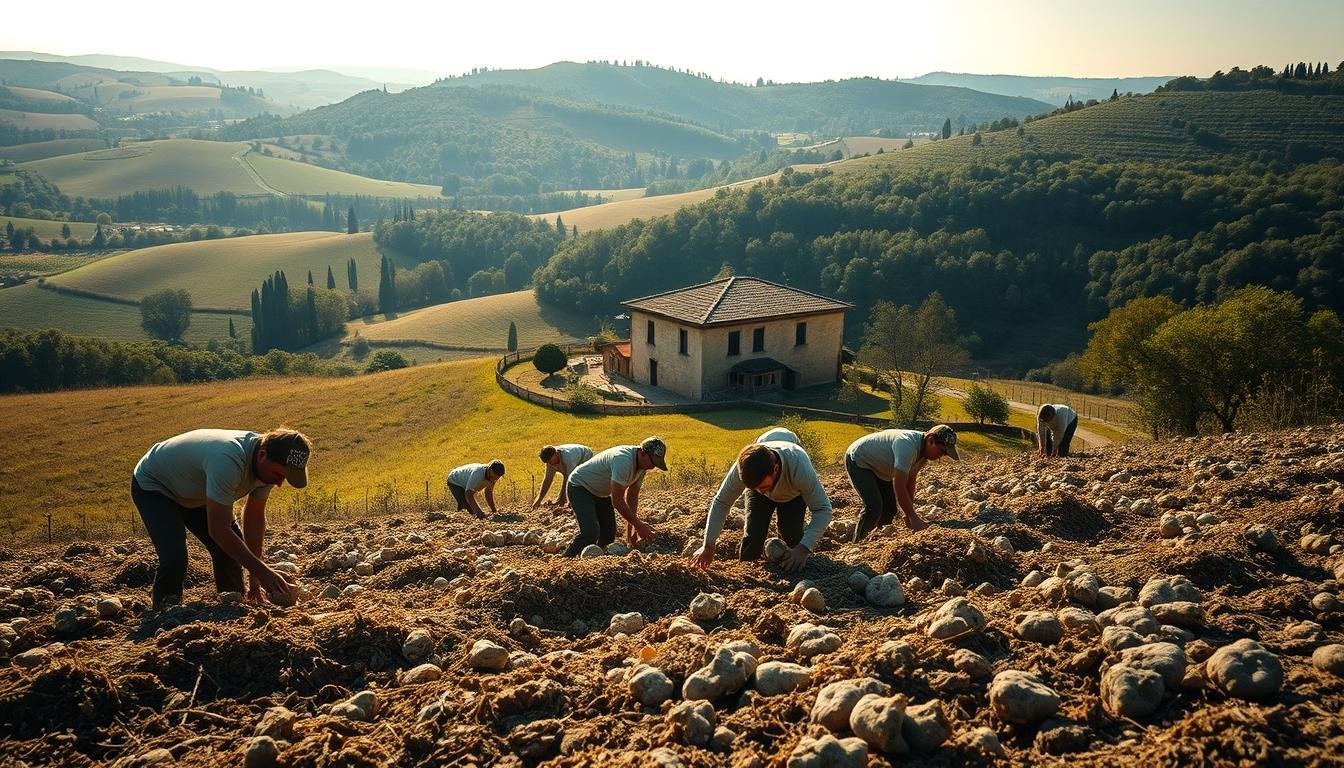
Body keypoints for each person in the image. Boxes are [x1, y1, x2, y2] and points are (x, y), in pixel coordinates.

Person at [131, 427, 311, 608]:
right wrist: (263, 571)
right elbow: (218, 530)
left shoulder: (267, 467)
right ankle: (164, 613)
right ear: (262, 455)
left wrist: (255, 576)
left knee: (230, 551)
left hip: (198, 489)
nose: (279, 483)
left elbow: (254, 519)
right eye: (279, 475)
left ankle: (232, 605)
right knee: (175, 558)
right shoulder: (228, 460)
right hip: (157, 485)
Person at [691, 426, 833, 573]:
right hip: (760, 482)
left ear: (776, 469)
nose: (761, 491)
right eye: (755, 487)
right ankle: (746, 570)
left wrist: (803, 549)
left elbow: (823, 510)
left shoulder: (799, 467)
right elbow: (721, 502)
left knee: (792, 537)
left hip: (793, 493)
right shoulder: (743, 469)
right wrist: (708, 546)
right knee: (753, 534)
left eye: (763, 486)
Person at [847, 425, 959, 542]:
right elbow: (899, 486)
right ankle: (858, 543)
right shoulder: (907, 446)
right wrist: (913, 517)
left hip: (880, 467)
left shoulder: (923, 454)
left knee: (890, 509)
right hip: (859, 459)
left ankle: (877, 541)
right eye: (942, 451)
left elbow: (910, 481)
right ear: (931, 441)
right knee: (874, 507)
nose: (941, 456)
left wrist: (908, 513)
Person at [563, 437, 667, 556]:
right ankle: (565, 561)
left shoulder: (642, 467)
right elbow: (617, 500)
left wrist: (632, 530)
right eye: (653, 462)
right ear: (643, 453)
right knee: (590, 532)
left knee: (608, 535)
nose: (652, 467)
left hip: (600, 492)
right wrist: (639, 525)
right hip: (579, 487)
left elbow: (632, 496)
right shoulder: (624, 460)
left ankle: (594, 559)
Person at [531, 444, 594, 510]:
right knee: (566, 476)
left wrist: (570, 500)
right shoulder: (550, 462)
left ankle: (578, 501)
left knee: (579, 481)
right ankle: (562, 500)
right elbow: (547, 480)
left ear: (556, 453)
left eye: (550, 460)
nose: (550, 463)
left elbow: (571, 480)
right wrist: (539, 500)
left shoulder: (568, 457)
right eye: (547, 462)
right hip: (571, 461)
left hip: (586, 458)